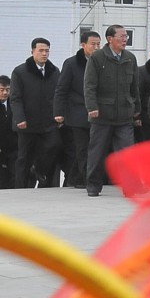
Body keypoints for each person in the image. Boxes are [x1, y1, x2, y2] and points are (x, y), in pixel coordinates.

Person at [82, 25, 141, 197]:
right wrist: (92, 107)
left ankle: (130, 186)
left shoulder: (130, 58)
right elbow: (89, 85)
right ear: (109, 39)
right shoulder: (97, 58)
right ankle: (93, 185)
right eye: (122, 36)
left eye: (127, 37)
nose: (125, 39)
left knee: (127, 154)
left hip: (124, 115)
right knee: (97, 153)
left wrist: (137, 109)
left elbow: (134, 87)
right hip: (102, 116)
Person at [10, 38, 61, 188]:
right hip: (27, 122)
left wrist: (59, 114)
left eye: (47, 51)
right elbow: (15, 98)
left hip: (48, 122)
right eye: (41, 50)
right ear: (32, 51)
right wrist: (19, 118)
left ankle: (38, 170)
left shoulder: (54, 71)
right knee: (24, 157)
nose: (44, 54)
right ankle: (20, 187)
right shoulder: (20, 72)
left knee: (54, 145)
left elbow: (58, 94)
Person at [53, 30, 101, 188]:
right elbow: (62, 89)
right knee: (81, 148)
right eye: (92, 44)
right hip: (77, 113)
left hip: (97, 113)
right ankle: (86, 180)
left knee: (93, 148)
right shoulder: (71, 63)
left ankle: (76, 178)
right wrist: (58, 112)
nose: (96, 47)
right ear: (83, 45)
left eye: (98, 44)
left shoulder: (101, 62)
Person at [0, 76, 18, 189]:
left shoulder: (14, 104)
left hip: (13, 146)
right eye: (2, 90)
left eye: (8, 89)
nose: (5, 93)